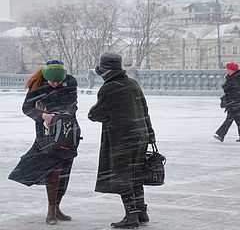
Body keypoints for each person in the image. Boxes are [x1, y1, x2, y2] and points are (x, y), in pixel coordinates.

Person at [88, 52, 156, 228]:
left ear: (105, 72)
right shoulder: (133, 84)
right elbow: (144, 110)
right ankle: (142, 212)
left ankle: (131, 216)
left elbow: (95, 114)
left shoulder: (109, 88)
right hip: (139, 136)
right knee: (135, 174)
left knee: (122, 176)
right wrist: (150, 134)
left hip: (122, 139)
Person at [8, 60, 78, 225]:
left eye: (58, 82)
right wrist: (43, 116)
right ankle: (51, 210)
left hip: (68, 131)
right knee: (53, 169)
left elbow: (73, 105)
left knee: (64, 170)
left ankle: (57, 206)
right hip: (45, 133)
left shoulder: (70, 82)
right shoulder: (37, 84)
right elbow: (27, 108)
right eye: (52, 82)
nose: (55, 84)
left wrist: (61, 117)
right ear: (46, 78)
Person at [214, 62, 240, 142]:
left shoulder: (237, 78)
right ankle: (220, 134)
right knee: (238, 120)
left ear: (233, 70)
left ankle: (220, 134)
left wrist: (232, 100)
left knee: (229, 119)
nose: (228, 71)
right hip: (232, 102)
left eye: (229, 69)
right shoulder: (231, 77)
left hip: (235, 102)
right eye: (227, 69)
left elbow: (235, 91)